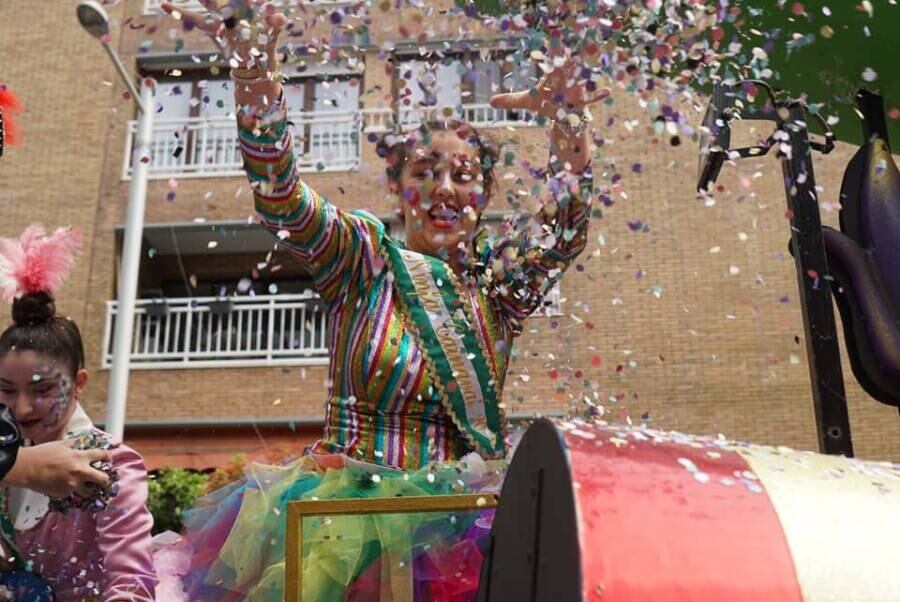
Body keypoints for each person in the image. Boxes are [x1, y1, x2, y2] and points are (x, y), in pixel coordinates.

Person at [161, 0, 600, 598]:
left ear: (484, 193)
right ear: (398, 187)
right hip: (343, 531)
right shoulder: (362, 259)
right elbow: (282, 200)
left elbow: (566, 231)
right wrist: (254, 73)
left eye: (464, 175)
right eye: (424, 171)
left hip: (458, 534)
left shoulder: (497, 290)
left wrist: (570, 125)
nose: (444, 189)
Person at [0, 225, 158, 601]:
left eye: (42, 390)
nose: (22, 408)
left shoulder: (111, 461)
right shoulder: (6, 459)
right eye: (6, 390)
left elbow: (132, 581)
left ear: (79, 383)